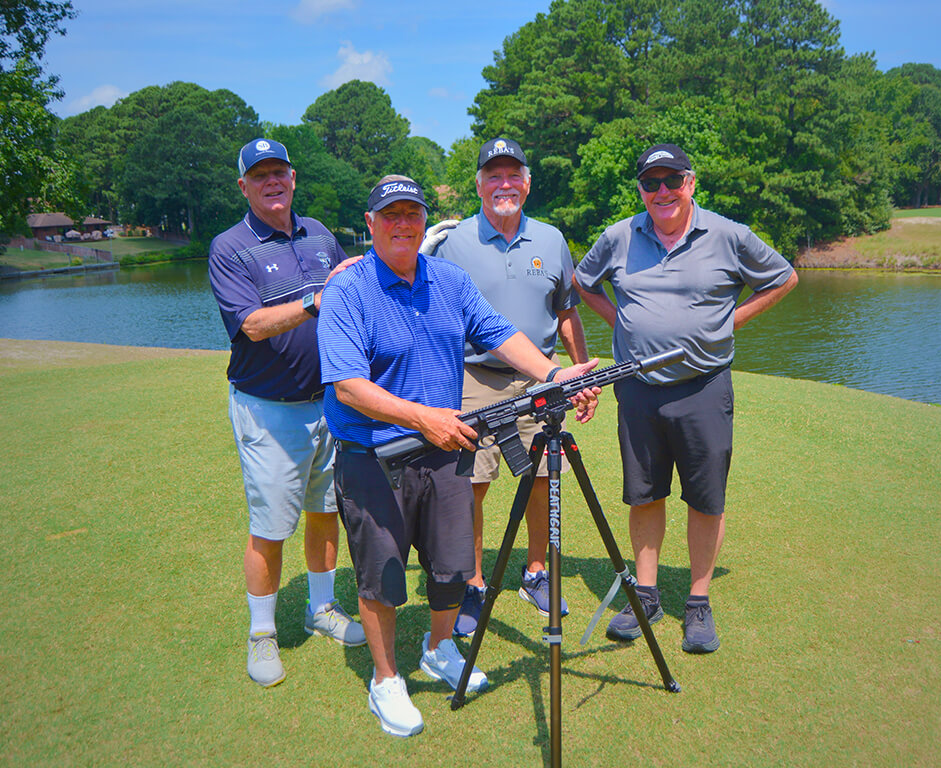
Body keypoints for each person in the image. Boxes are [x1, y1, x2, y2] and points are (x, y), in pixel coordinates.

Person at [318, 176, 599, 737]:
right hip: (374, 455)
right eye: (390, 215)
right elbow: (347, 386)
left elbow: (497, 331)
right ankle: (386, 680)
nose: (403, 224)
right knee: (383, 573)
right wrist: (424, 417)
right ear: (370, 224)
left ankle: (439, 647)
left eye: (412, 214)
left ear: (425, 221)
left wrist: (552, 372)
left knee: (450, 567)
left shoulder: (449, 278)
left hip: (446, 449)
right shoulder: (347, 291)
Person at [572, 143, 798, 654]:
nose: (662, 192)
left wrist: (728, 322)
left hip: (703, 386)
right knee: (644, 493)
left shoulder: (728, 235)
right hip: (637, 388)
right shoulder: (619, 236)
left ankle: (697, 602)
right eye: (651, 183)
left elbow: (784, 277)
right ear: (640, 190)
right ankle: (646, 595)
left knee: (705, 496)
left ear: (690, 183)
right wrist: (620, 323)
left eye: (672, 180)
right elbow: (584, 283)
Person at [209, 138, 366, 689]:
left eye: (280, 172)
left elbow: (344, 291)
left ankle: (319, 609)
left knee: (327, 510)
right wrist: (313, 301)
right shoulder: (230, 247)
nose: (272, 182)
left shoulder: (319, 232)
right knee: (271, 526)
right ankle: (262, 634)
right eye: (260, 175)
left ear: (293, 178)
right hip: (268, 409)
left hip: (329, 402)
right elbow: (250, 325)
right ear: (244, 186)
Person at [423, 138, 589, 637]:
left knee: (542, 477)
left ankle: (535, 572)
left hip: (540, 377)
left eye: (513, 174)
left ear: (528, 182)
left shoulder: (551, 239)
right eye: (493, 175)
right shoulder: (452, 243)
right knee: (470, 485)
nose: (504, 184)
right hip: (473, 377)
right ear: (478, 184)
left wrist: (580, 375)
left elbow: (567, 313)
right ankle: (473, 583)